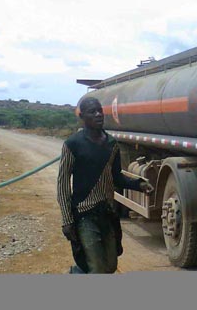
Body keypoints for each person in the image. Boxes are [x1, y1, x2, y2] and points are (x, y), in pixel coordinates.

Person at [57, 97, 154, 274]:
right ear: (82, 116)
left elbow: (117, 178)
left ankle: (77, 273)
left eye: (100, 110)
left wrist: (139, 184)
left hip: (107, 213)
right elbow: (62, 185)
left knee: (110, 266)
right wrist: (67, 220)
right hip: (84, 215)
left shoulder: (111, 144)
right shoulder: (72, 145)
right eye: (92, 112)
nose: (98, 114)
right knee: (97, 267)